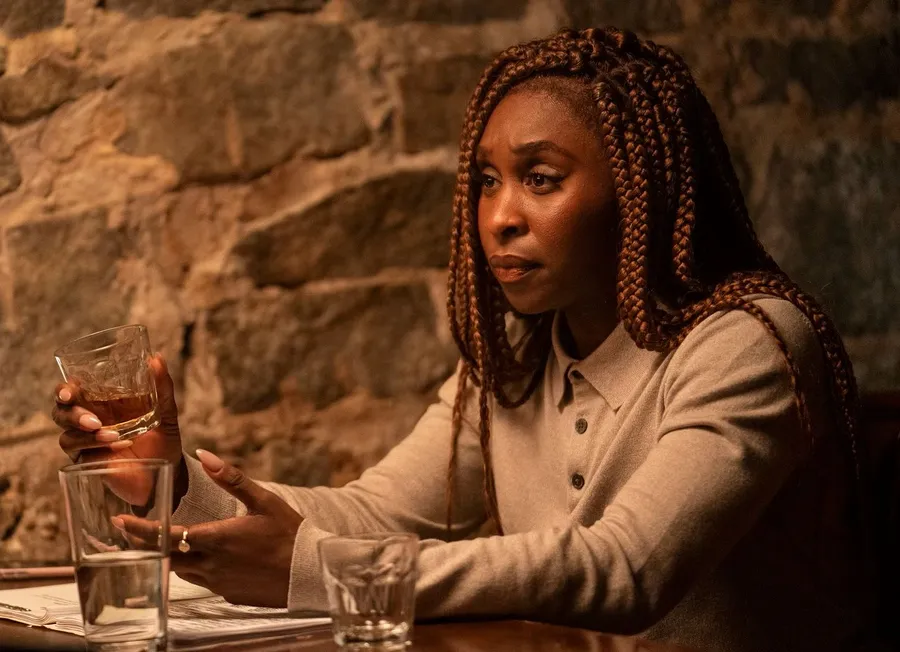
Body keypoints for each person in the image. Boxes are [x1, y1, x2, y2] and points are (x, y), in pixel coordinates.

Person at [52, 27, 875, 651]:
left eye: (541, 178)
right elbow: (376, 513)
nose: (499, 216)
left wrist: (319, 570)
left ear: (642, 193)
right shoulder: (513, 359)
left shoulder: (750, 341)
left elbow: (624, 569)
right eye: (486, 181)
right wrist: (170, 478)